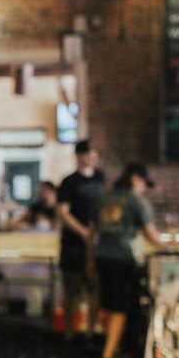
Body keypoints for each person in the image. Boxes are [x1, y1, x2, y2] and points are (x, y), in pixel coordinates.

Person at [93, 163, 163, 358]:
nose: (145, 189)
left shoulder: (104, 197)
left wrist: (89, 259)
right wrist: (170, 245)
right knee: (120, 308)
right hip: (123, 258)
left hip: (101, 256)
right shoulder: (136, 200)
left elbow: (91, 231)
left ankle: (109, 346)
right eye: (144, 184)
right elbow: (151, 235)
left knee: (106, 304)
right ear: (136, 179)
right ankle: (108, 356)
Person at [57, 140, 106, 338]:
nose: (92, 158)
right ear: (79, 156)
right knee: (71, 291)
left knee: (96, 290)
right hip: (73, 244)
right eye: (88, 154)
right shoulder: (69, 182)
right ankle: (69, 333)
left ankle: (90, 332)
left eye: (93, 154)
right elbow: (63, 212)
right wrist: (83, 232)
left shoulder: (101, 178)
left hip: (96, 245)